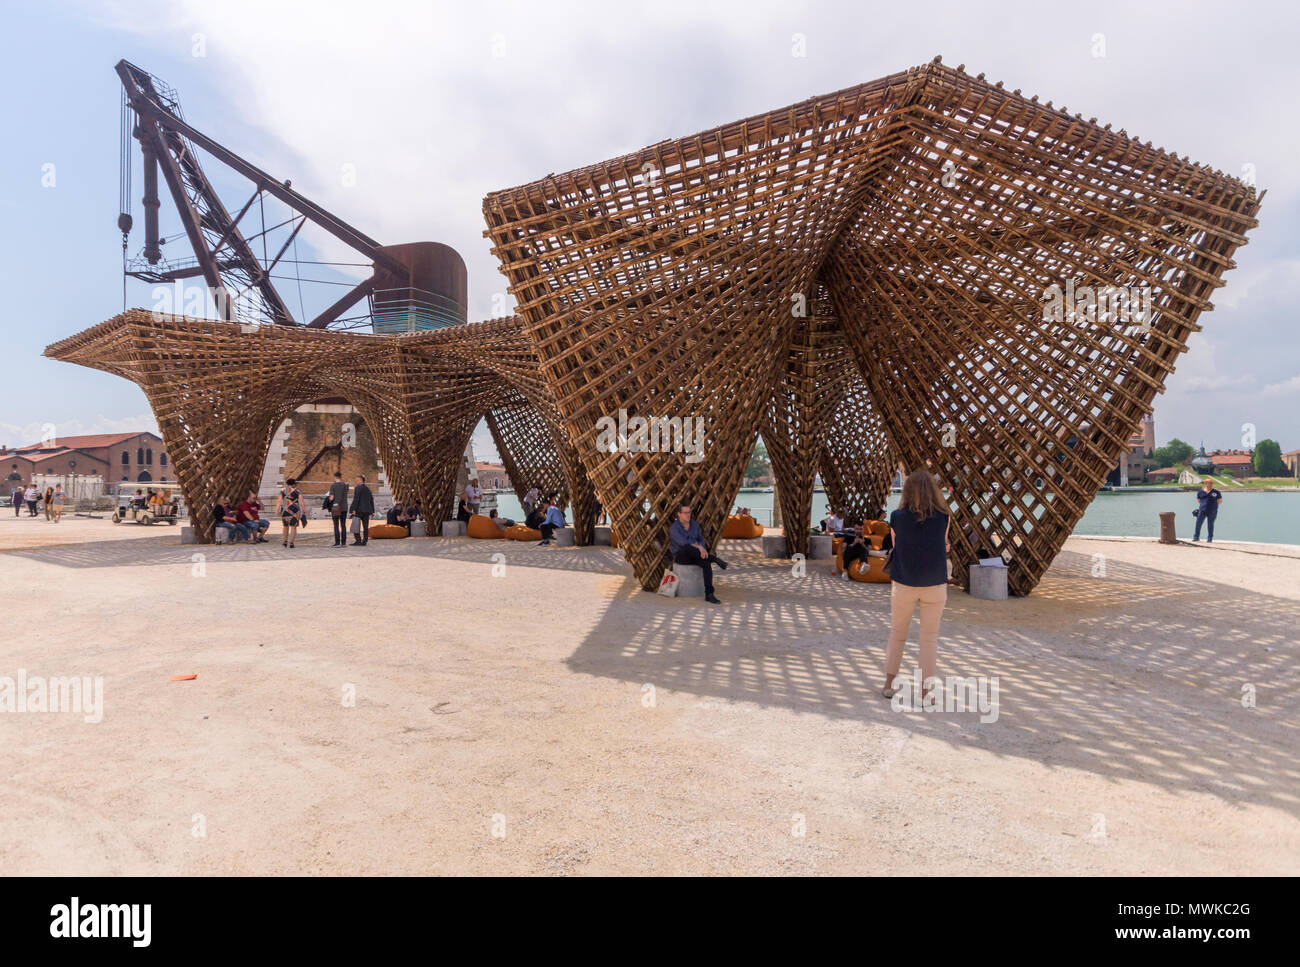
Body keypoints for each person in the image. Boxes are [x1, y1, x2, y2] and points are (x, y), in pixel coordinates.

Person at [883, 470, 952, 702]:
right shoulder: (944, 517)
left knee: (898, 633)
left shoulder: (896, 517)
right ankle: (924, 693)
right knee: (929, 638)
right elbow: (943, 545)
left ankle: (889, 683)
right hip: (934, 583)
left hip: (904, 581)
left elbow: (897, 544)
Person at [668, 502, 728, 604]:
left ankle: (709, 594)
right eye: (685, 512)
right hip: (681, 557)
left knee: (706, 563)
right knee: (687, 547)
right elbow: (683, 543)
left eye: (689, 512)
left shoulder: (694, 525)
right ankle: (714, 559)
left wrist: (701, 548)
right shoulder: (674, 528)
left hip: (695, 554)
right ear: (679, 514)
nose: (688, 515)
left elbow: (701, 540)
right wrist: (699, 547)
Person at [1193, 478, 1222, 542]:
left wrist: (1214, 507)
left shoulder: (1216, 492)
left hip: (1212, 511)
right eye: (1209, 483)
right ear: (1205, 483)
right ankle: (1196, 537)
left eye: (1212, 483)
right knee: (1198, 524)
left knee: (1210, 524)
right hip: (1202, 510)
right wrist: (1204, 506)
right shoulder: (1200, 492)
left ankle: (1209, 539)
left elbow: (1219, 501)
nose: (1211, 484)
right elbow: (1199, 501)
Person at [276, 478, 303, 548]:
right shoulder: (297, 491)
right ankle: (291, 543)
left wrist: (276, 510)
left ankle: (285, 541)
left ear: (287, 484)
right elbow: (301, 502)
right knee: (293, 527)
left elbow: (279, 501)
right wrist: (304, 510)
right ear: (294, 484)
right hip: (295, 511)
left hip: (285, 511)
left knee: (285, 526)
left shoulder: (283, 491)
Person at [327, 471, 350, 548]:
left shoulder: (333, 485)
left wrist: (329, 500)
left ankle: (337, 543)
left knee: (336, 525)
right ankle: (343, 543)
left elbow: (332, 497)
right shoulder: (345, 485)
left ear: (335, 477)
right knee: (343, 525)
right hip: (344, 507)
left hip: (336, 507)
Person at [350, 474, 374, 546]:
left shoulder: (358, 488)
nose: (356, 482)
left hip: (359, 510)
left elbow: (356, 499)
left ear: (361, 480)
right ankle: (365, 541)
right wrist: (372, 511)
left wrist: (353, 509)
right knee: (365, 526)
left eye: (357, 480)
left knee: (355, 525)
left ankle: (358, 540)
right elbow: (371, 500)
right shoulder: (368, 489)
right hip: (367, 510)